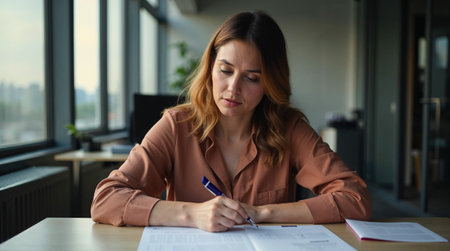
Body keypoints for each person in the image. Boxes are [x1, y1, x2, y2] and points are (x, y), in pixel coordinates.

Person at [91, 11, 371, 232]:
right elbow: (107, 199)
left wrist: (261, 212)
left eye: (252, 78)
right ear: (211, 67)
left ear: (270, 83)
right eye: (225, 70)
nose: (233, 89)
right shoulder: (177, 126)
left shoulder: (289, 128)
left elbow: (355, 198)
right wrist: (192, 214)